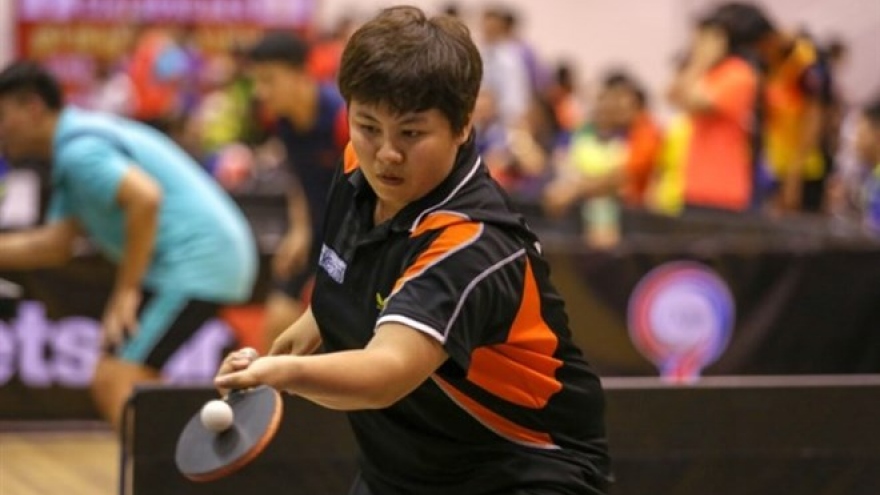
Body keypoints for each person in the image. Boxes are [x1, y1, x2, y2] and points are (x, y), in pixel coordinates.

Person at [215, 7, 611, 495]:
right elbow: (350, 285)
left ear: (463, 126)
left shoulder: (471, 243)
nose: (386, 154)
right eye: (368, 126)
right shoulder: (355, 170)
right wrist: (276, 362)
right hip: (403, 471)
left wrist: (288, 373)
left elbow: (387, 371)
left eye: (411, 133)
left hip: (520, 469)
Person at [0, 61, 258, 431]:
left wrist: (127, 290)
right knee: (117, 376)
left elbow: (144, 198)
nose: (1, 130)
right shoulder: (75, 148)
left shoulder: (79, 151)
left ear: (33, 107)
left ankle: (186, 477)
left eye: (2, 116)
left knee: (117, 377)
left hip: (196, 263)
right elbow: (53, 245)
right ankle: (191, 469)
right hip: (200, 260)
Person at [246, 30, 348, 351]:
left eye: (269, 80)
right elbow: (299, 179)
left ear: (301, 74)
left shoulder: (341, 118)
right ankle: (270, 400)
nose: (261, 92)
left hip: (352, 239)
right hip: (316, 233)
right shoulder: (282, 122)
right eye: (257, 81)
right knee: (275, 325)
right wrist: (300, 229)